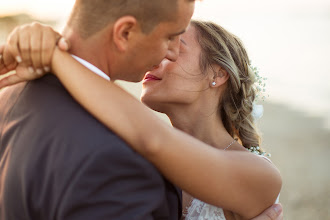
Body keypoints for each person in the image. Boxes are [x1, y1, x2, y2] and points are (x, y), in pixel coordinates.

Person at [0, 19, 283, 220]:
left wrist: (54, 55)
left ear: (217, 75)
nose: (160, 56)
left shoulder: (262, 176)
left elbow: (153, 138)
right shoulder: (130, 151)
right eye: (163, 44)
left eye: (178, 47)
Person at [0, 0, 196, 219]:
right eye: (170, 37)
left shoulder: (9, 94)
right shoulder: (114, 158)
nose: (174, 53)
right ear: (125, 33)